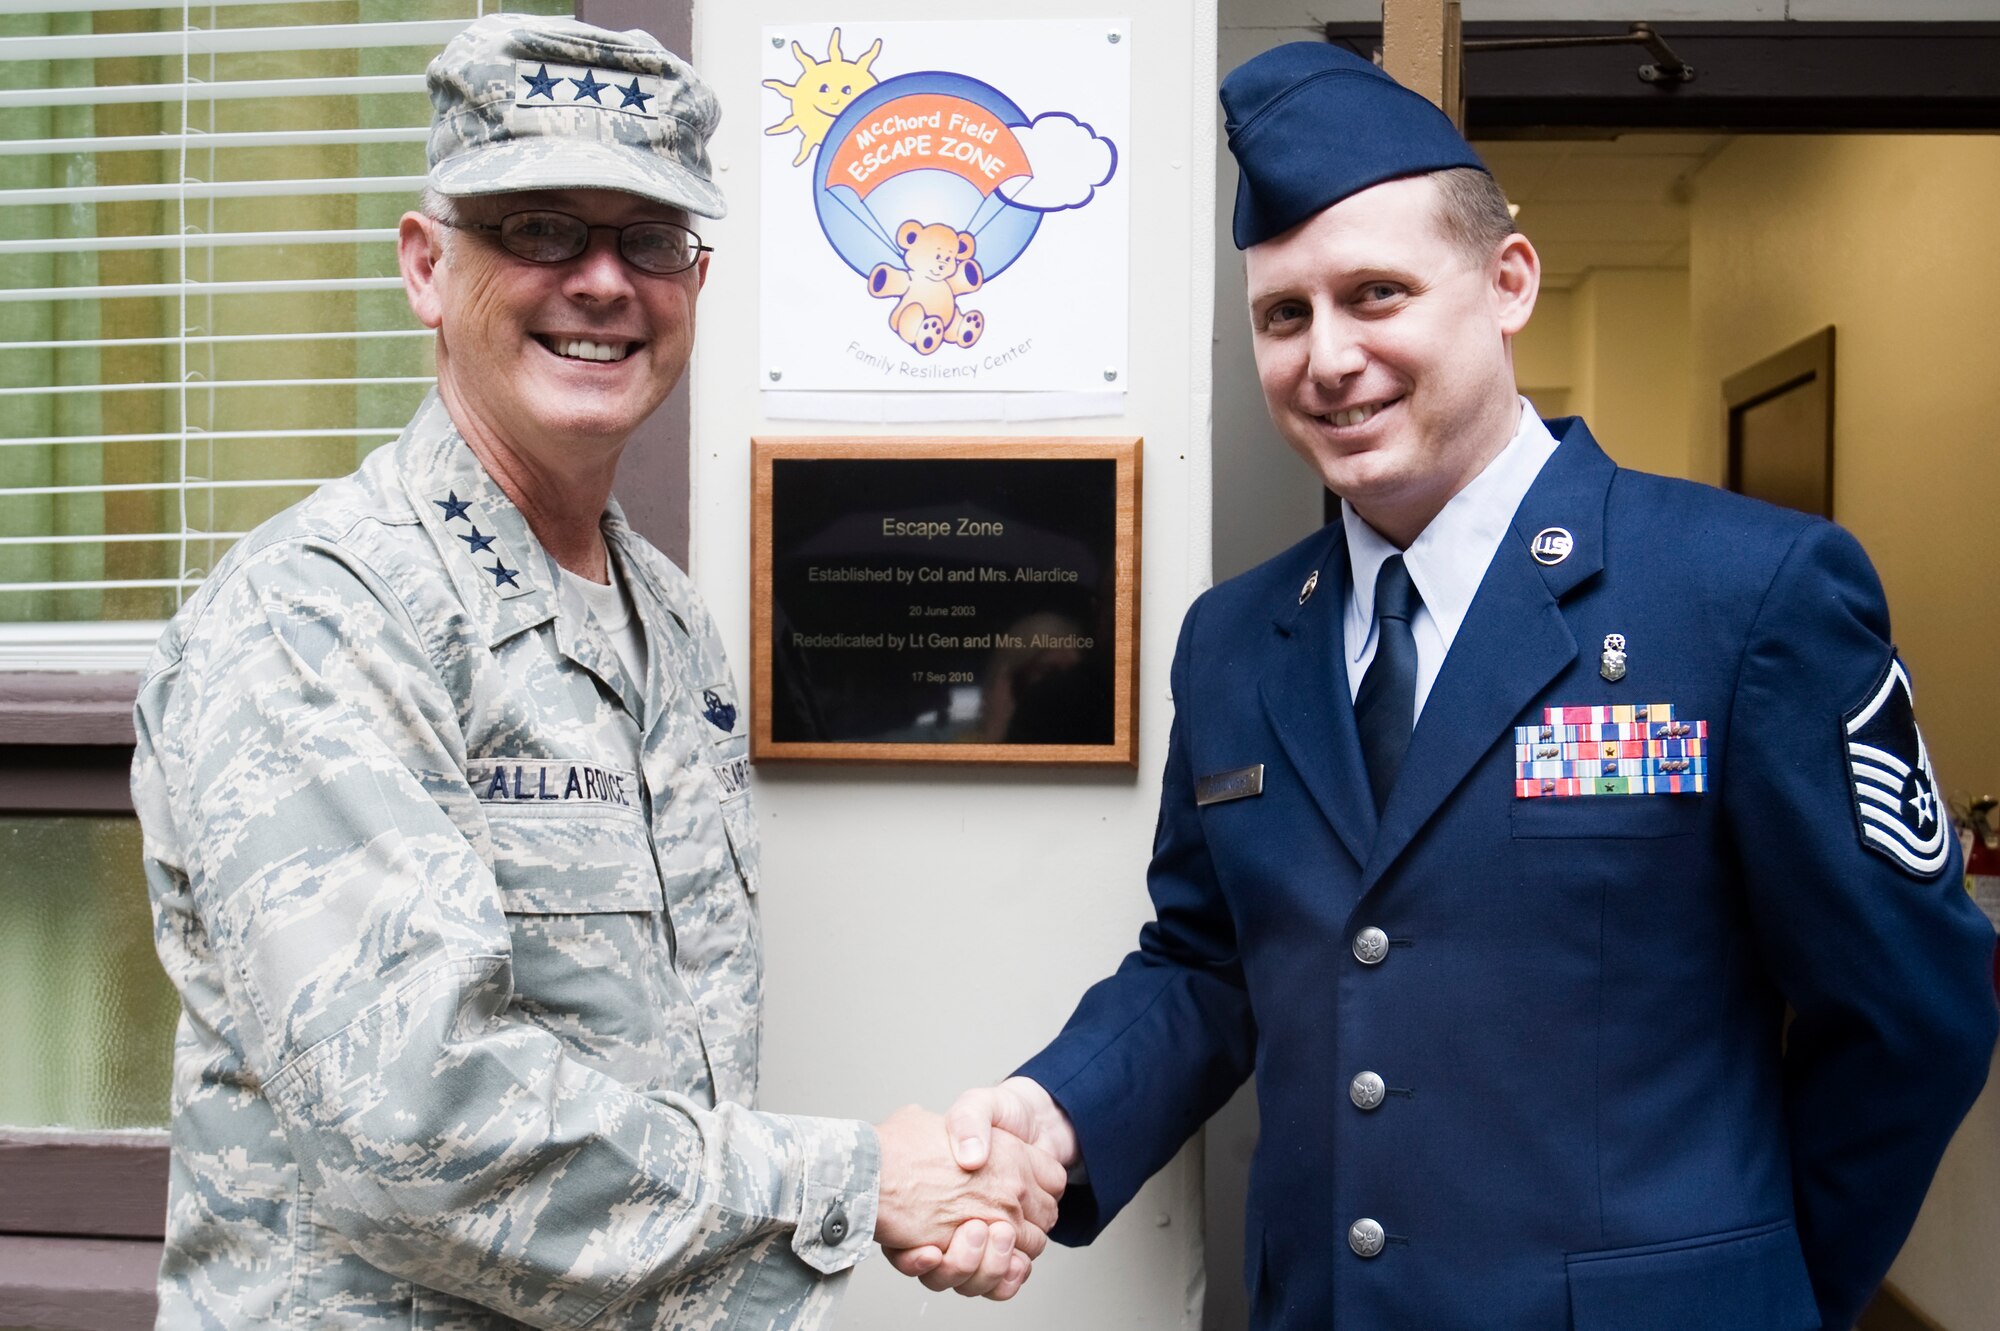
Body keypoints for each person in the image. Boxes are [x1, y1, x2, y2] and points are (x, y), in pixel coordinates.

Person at [911, 41, 2000, 1329]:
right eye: (1284, 314)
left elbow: (1910, 1012)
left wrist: (1762, 1293)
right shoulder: (1235, 639)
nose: (1328, 357)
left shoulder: (1744, 595)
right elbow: (1209, 962)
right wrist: (1054, 1117)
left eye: (1377, 294)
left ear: (1507, 283)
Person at [131, 16, 1059, 1329]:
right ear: (424, 267)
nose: (604, 281)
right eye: (542, 228)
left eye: (651, 238)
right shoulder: (319, 618)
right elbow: (422, 1122)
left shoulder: (668, 625)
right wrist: (858, 1178)